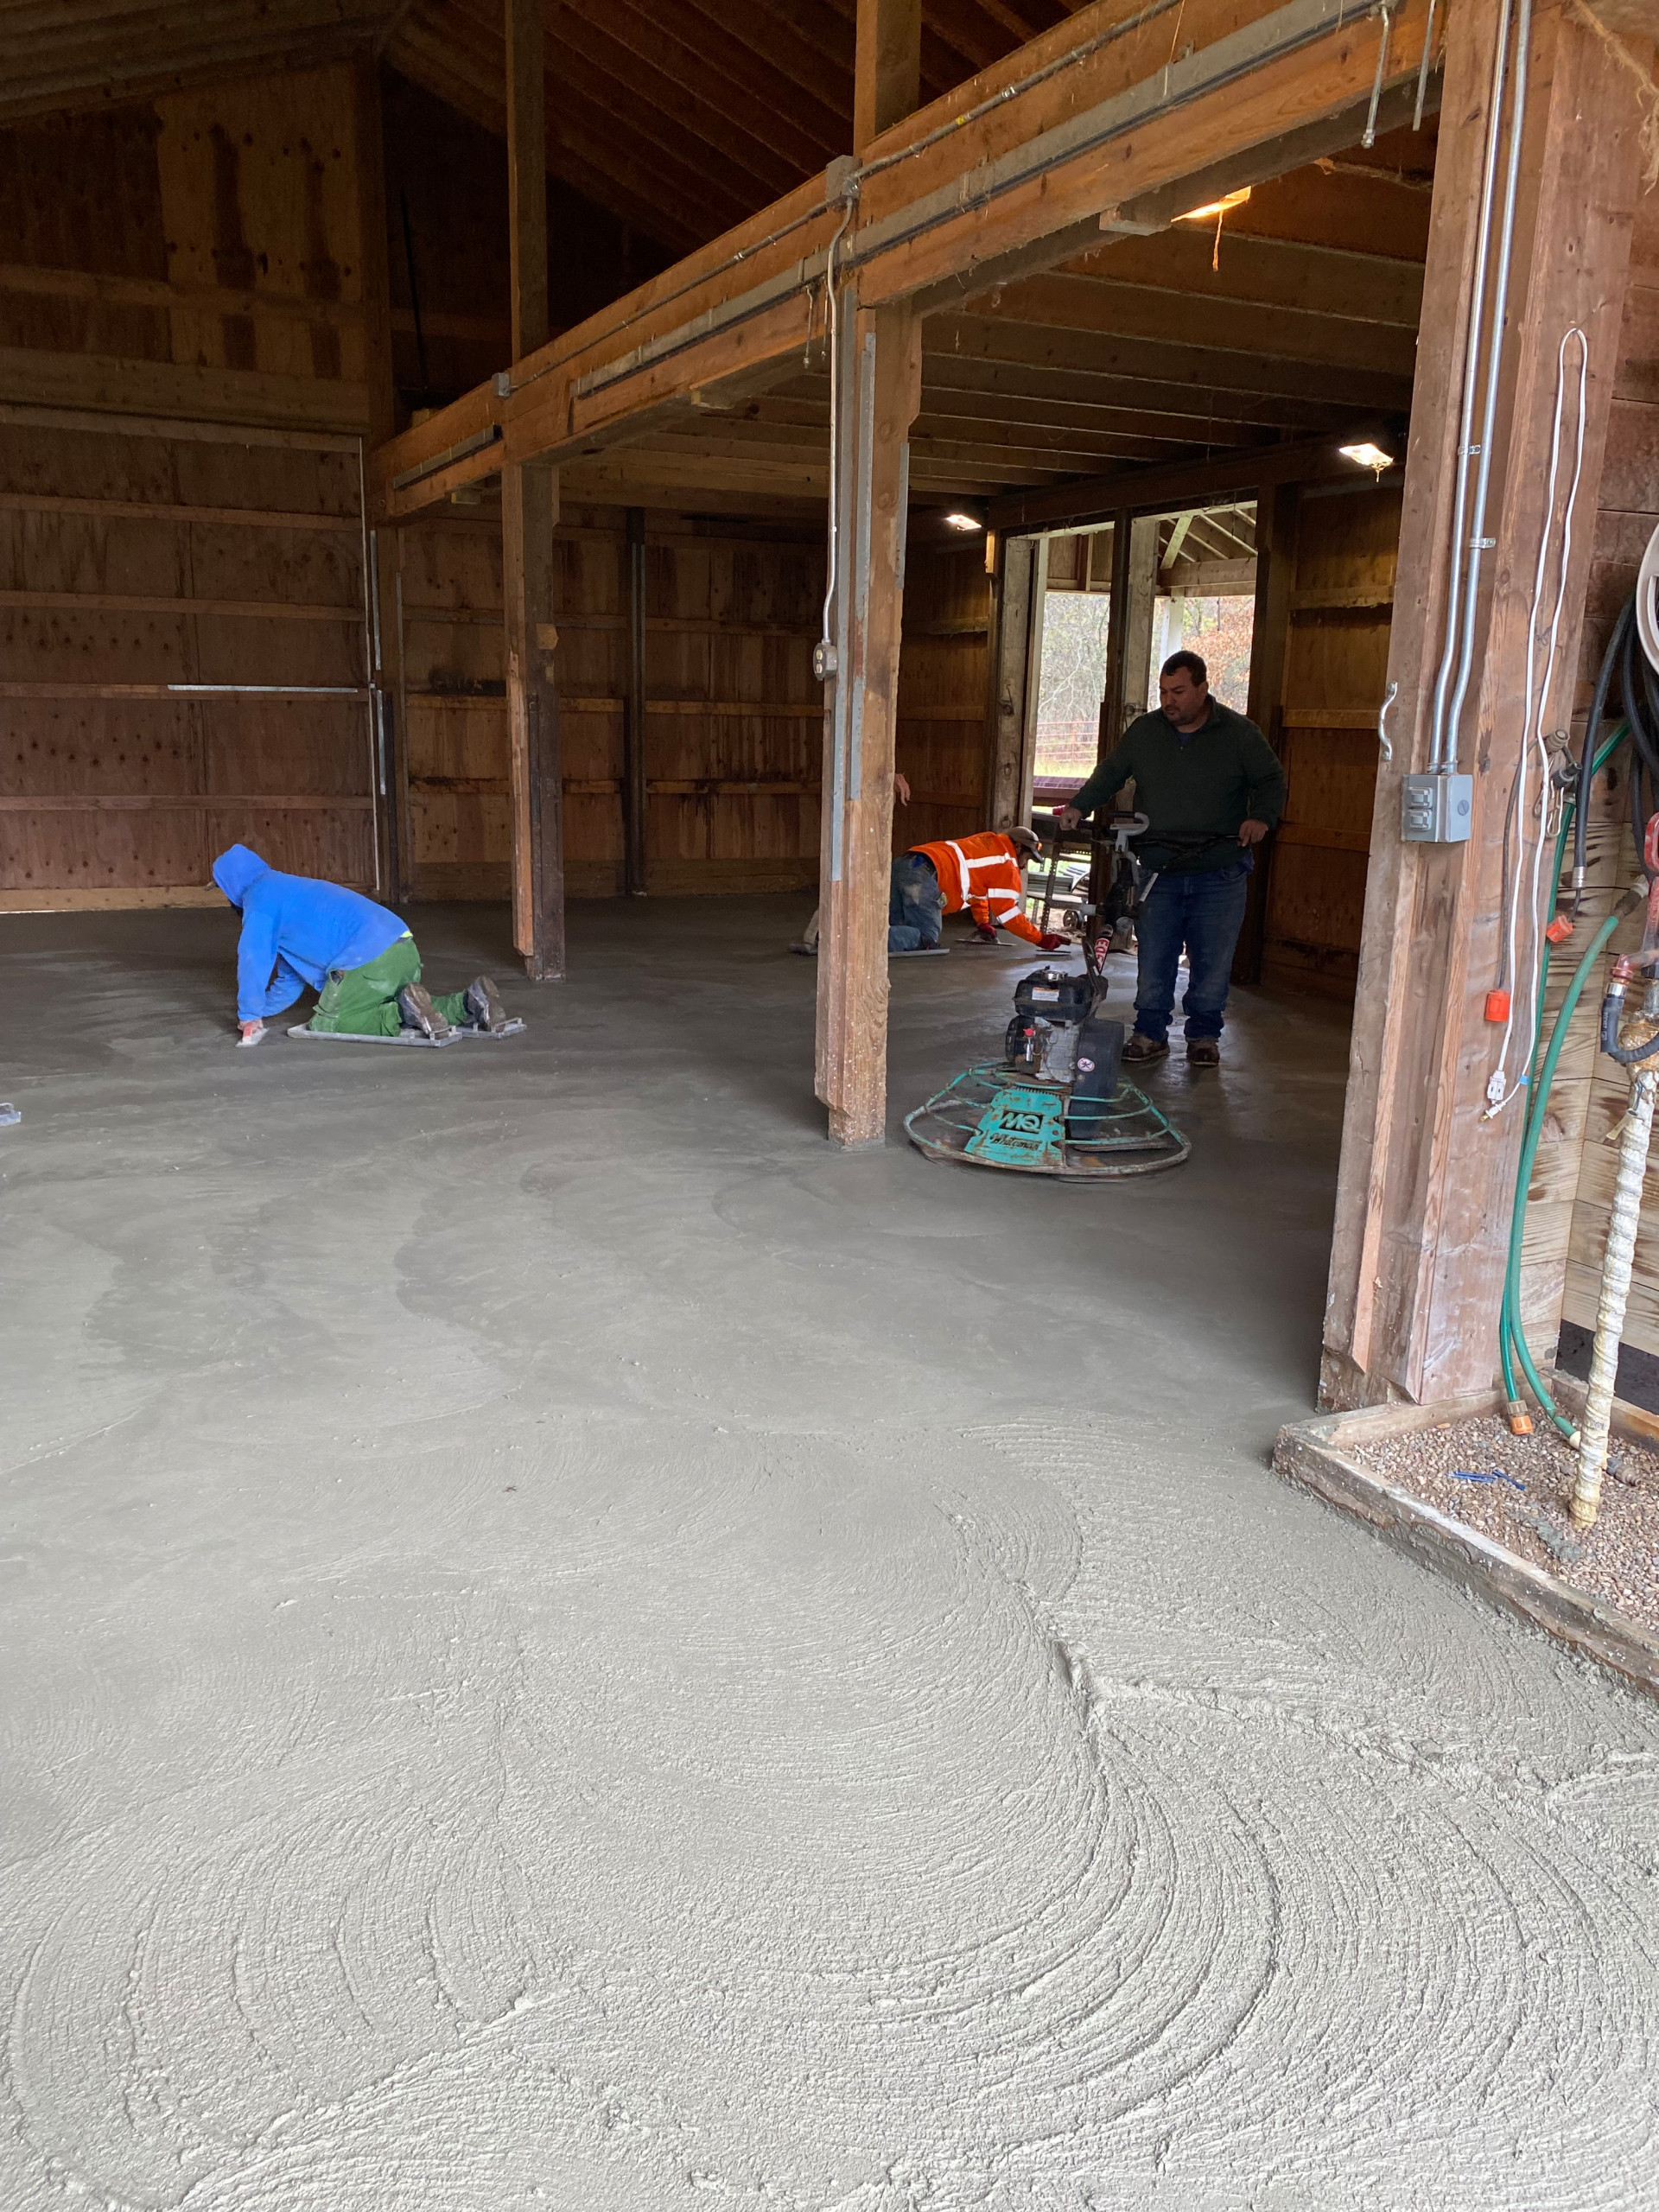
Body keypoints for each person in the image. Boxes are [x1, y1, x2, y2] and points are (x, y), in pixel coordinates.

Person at [1058, 650, 1285, 1067]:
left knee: (1212, 959)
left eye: (1178, 692)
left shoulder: (1239, 734)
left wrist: (1260, 817)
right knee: (1155, 954)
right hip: (1158, 867)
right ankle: (1149, 1032)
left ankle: (1203, 1036)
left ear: (1202, 688)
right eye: (1163, 692)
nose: (1169, 701)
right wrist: (1080, 805)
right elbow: (1110, 772)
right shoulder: (1145, 732)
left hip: (1220, 867)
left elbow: (1271, 780)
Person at [212, 844, 511, 1046]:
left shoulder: (260, 900)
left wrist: (248, 1014)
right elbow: (290, 980)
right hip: (404, 949)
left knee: (328, 1024)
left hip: (368, 961)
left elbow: (254, 956)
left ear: (231, 886)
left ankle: (404, 1014)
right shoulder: (286, 888)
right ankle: (469, 1002)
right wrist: (259, 1011)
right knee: (389, 1004)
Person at [889, 826, 1068, 952]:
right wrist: (1039, 938)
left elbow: (978, 890)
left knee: (891, 923)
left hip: (906, 863)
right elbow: (1008, 913)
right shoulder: (1007, 862)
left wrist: (983, 922)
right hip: (925, 874)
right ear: (1018, 848)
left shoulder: (987, 842)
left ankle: (873, 939)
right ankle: (868, 943)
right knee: (926, 937)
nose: (1023, 866)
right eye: (1027, 859)